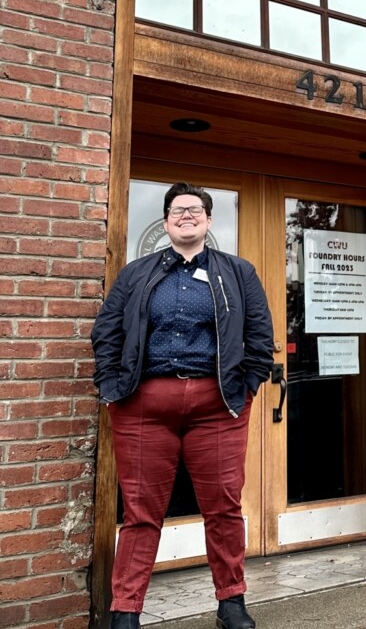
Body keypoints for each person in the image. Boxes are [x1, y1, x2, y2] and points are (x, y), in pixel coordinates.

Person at [91, 183, 274, 629]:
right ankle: (125, 610)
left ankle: (231, 602)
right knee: (140, 511)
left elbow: (260, 335)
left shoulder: (237, 272)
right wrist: (111, 385)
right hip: (142, 405)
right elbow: (107, 331)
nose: (186, 215)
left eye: (195, 209)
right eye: (177, 210)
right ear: (167, 220)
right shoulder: (137, 273)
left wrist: (248, 384)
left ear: (209, 221)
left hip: (218, 406)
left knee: (224, 506)